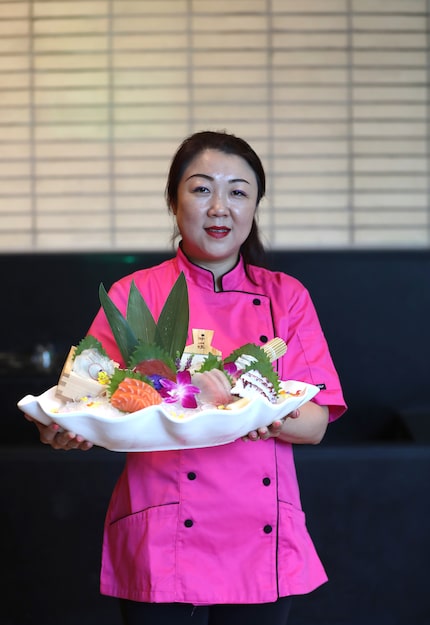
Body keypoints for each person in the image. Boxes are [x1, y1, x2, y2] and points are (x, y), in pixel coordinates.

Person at [28, 130, 347, 625]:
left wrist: (252, 412)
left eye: (238, 192)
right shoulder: (135, 293)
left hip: (259, 538)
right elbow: (83, 397)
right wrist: (59, 426)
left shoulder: (286, 297)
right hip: (162, 532)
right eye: (201, 189)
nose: (220, 206)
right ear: (174, 201)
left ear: (255, 205)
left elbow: (314, 422)